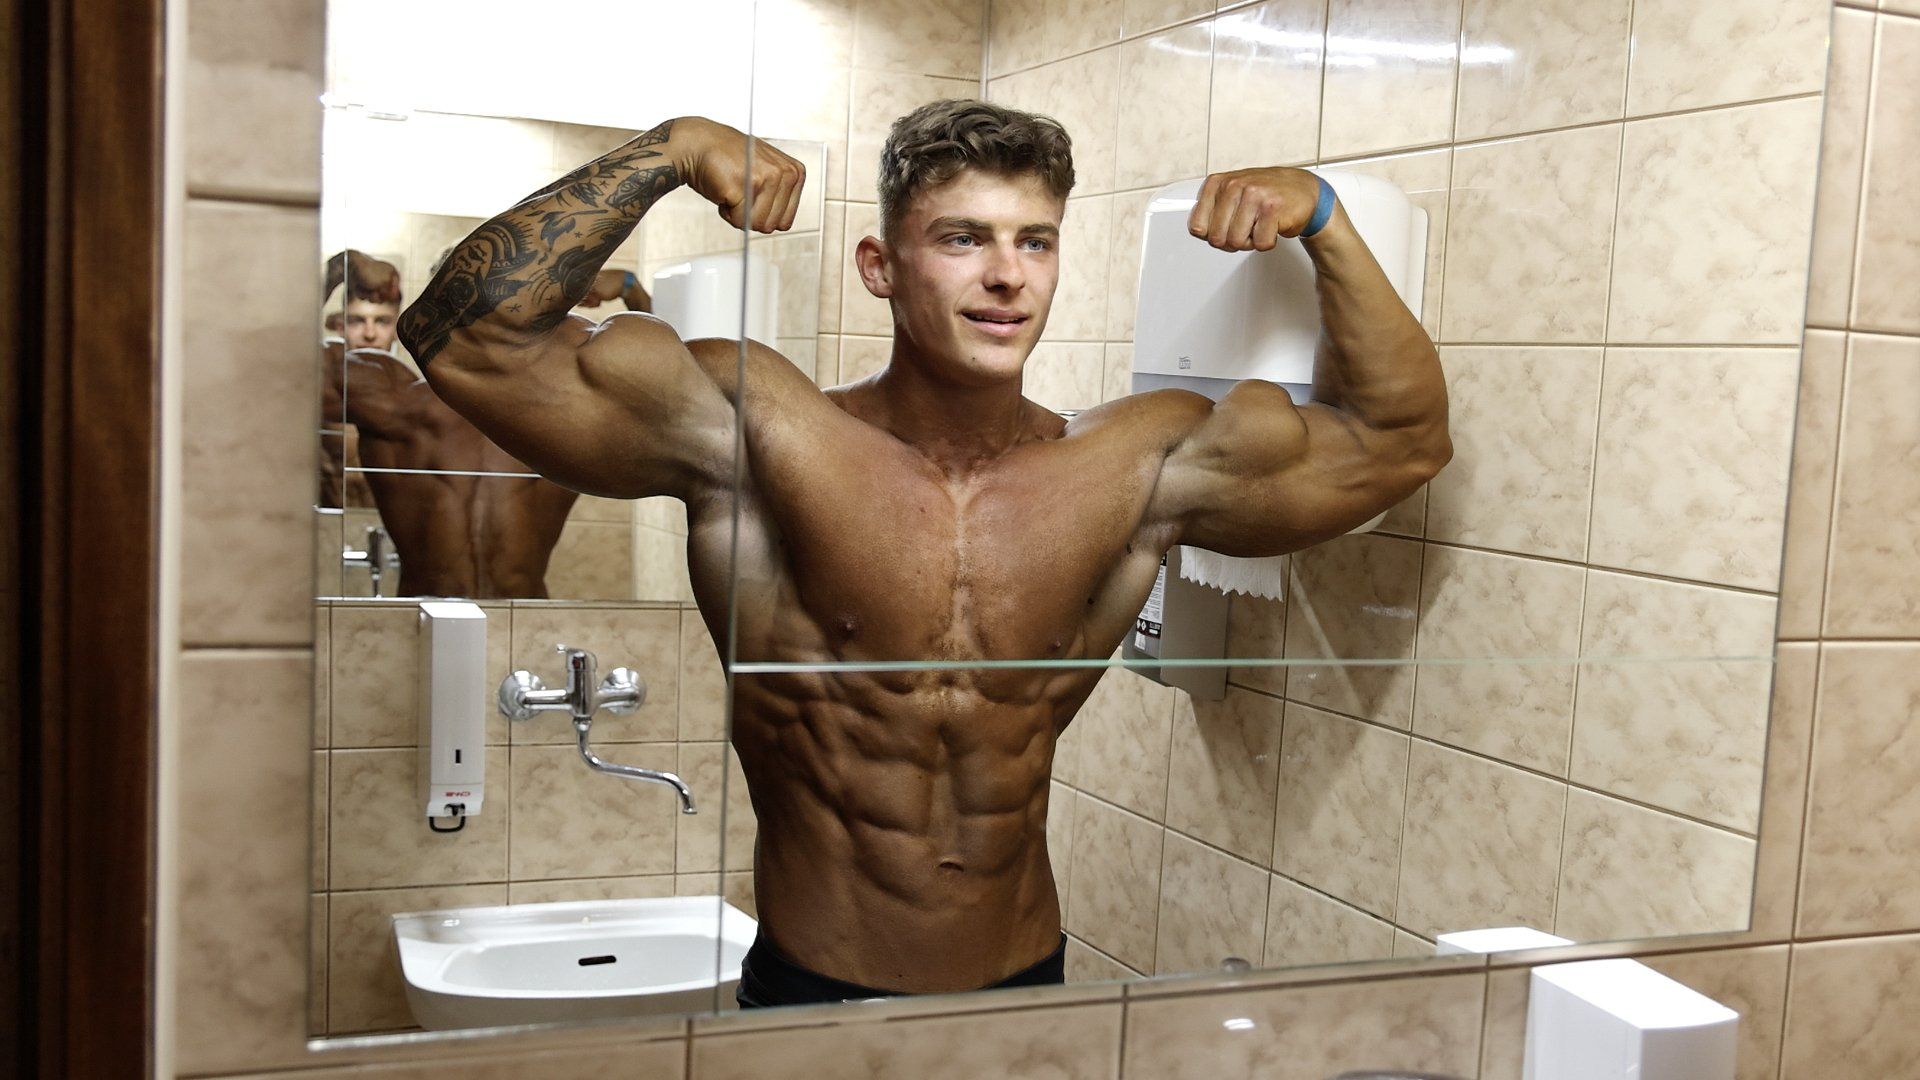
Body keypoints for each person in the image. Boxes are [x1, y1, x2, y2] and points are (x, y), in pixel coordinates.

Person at [397, 102, 1450, 1006]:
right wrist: (667, 151)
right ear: (880, 267)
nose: (1006, 276)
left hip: (1023, 993)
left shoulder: (1135, 465)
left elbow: (1400, 443)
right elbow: (466, 339)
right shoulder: (755, 435)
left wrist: (1325, 217)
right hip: (815, 993)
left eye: (1035, 242)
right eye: (963, 238)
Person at [320, 251, 582, 597]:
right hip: (485, 623)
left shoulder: (400, 403)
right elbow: (278, 377)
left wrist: (335, 274)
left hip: (510, 625)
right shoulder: (568, 409)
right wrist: (630, 292)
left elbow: (282, 368)